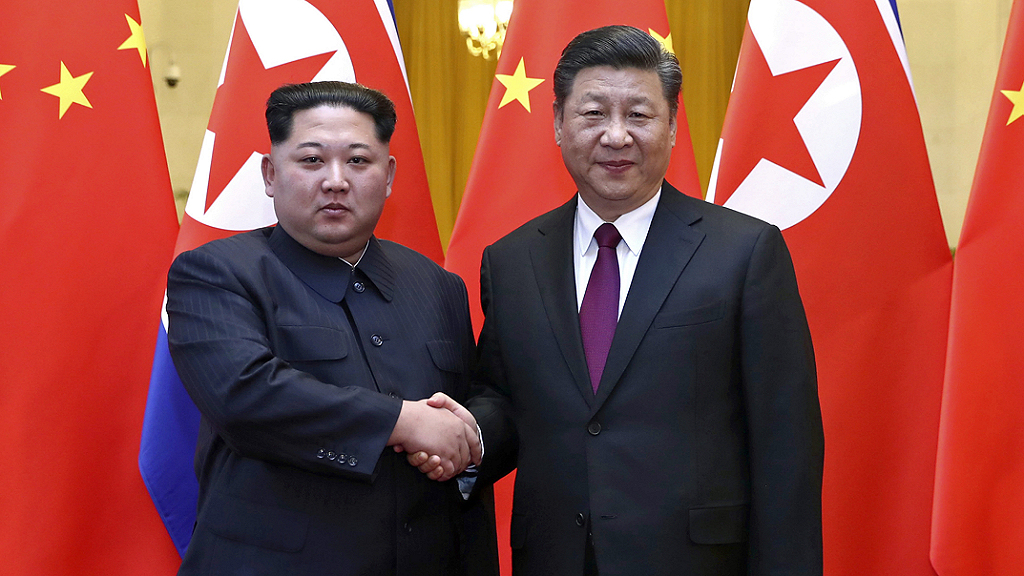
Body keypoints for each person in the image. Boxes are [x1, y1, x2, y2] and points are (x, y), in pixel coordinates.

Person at [415, 25, 824, 575]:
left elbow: (785, 445)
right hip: (555, 556)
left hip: (697, 560)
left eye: (638, 114)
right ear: (558, 124)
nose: (616, 136)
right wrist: (468, 437)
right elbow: (506, 397)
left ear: (673, 126)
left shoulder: (744, 252)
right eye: (592, 115)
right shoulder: (512, 261)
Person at [166, 81, 497, 576]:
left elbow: (479, 399)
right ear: (270, 174)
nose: (336, 180)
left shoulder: (439, 284)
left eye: (359, 161)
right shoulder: (214, 273)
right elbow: (244, 396)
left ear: (388, 176)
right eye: (312, 160)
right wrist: (402, 423)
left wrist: (468, 440)